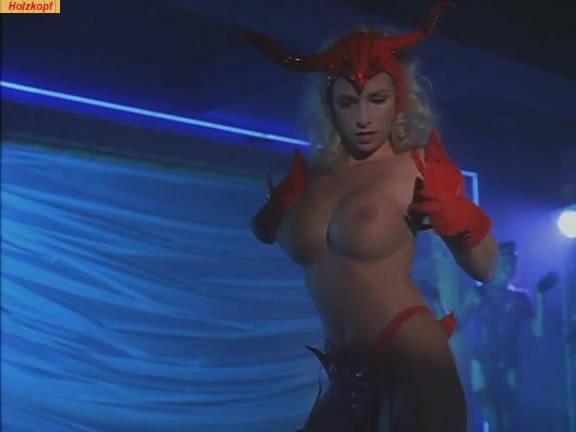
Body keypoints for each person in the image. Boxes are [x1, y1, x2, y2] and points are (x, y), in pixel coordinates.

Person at [245, 3, 499, 431]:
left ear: (399, 99)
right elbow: (266, 232)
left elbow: (487, 267)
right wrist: (273, 212)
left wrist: (463, 218)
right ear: (329, 105)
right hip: (343, 372)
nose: (362, 118)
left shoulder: (416, 165)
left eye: (376, 99)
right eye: (347, 102)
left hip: (411, 353)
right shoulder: (314, 177)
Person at [462, 241, 557, 432]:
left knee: (508, 418)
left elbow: (536, 331)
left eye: (512, 263)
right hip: (482, 363)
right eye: (504, 263)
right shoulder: (477, 293)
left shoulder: (520, 298)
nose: (509, 268)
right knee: (491, 416)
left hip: (510, 364)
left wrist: (539, 296)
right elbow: (457, 324)